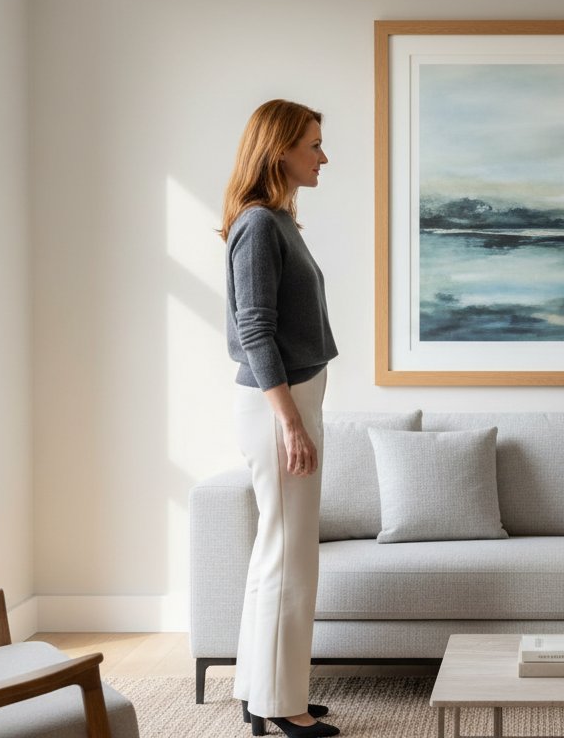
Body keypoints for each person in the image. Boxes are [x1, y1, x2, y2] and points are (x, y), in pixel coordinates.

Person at [222, 99, 339, 738]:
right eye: (314, 145)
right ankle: (279, 703)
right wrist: (290, 423)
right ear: (280, 151)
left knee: (280, 552)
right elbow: (256, 329)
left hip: (295, 400)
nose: (324, 156)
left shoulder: (279, 222)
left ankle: (260, 688)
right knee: (290, 558)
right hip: (281, 406)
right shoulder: (260, 226)